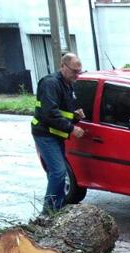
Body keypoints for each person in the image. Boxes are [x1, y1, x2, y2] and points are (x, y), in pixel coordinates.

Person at [31, 52, 85, 213]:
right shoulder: (50, 84)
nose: (77, 75)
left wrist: (75, 116)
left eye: (79, 71)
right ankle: (48, 213)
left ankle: (57, 208)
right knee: (59, 172)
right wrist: (72, 128)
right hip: (45, 134)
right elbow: (50, 113)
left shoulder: (68, 84)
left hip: (56, 134)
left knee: (56, 173)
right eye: (74, 71)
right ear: (63, 66)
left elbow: (63, 112)